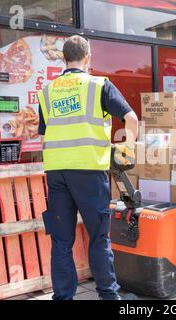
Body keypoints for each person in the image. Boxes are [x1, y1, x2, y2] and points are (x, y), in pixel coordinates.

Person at [37, 35, 138, 300]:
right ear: (88, 57)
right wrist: (127, 149)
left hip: (57, 173)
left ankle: (63, 297)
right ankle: (108, 295)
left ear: (63, 58)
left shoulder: (47, 92)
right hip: (90, 172)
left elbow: (43, 136)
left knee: (61, 241)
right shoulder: (98, 85)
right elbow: (131, 118)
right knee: (98, 237)